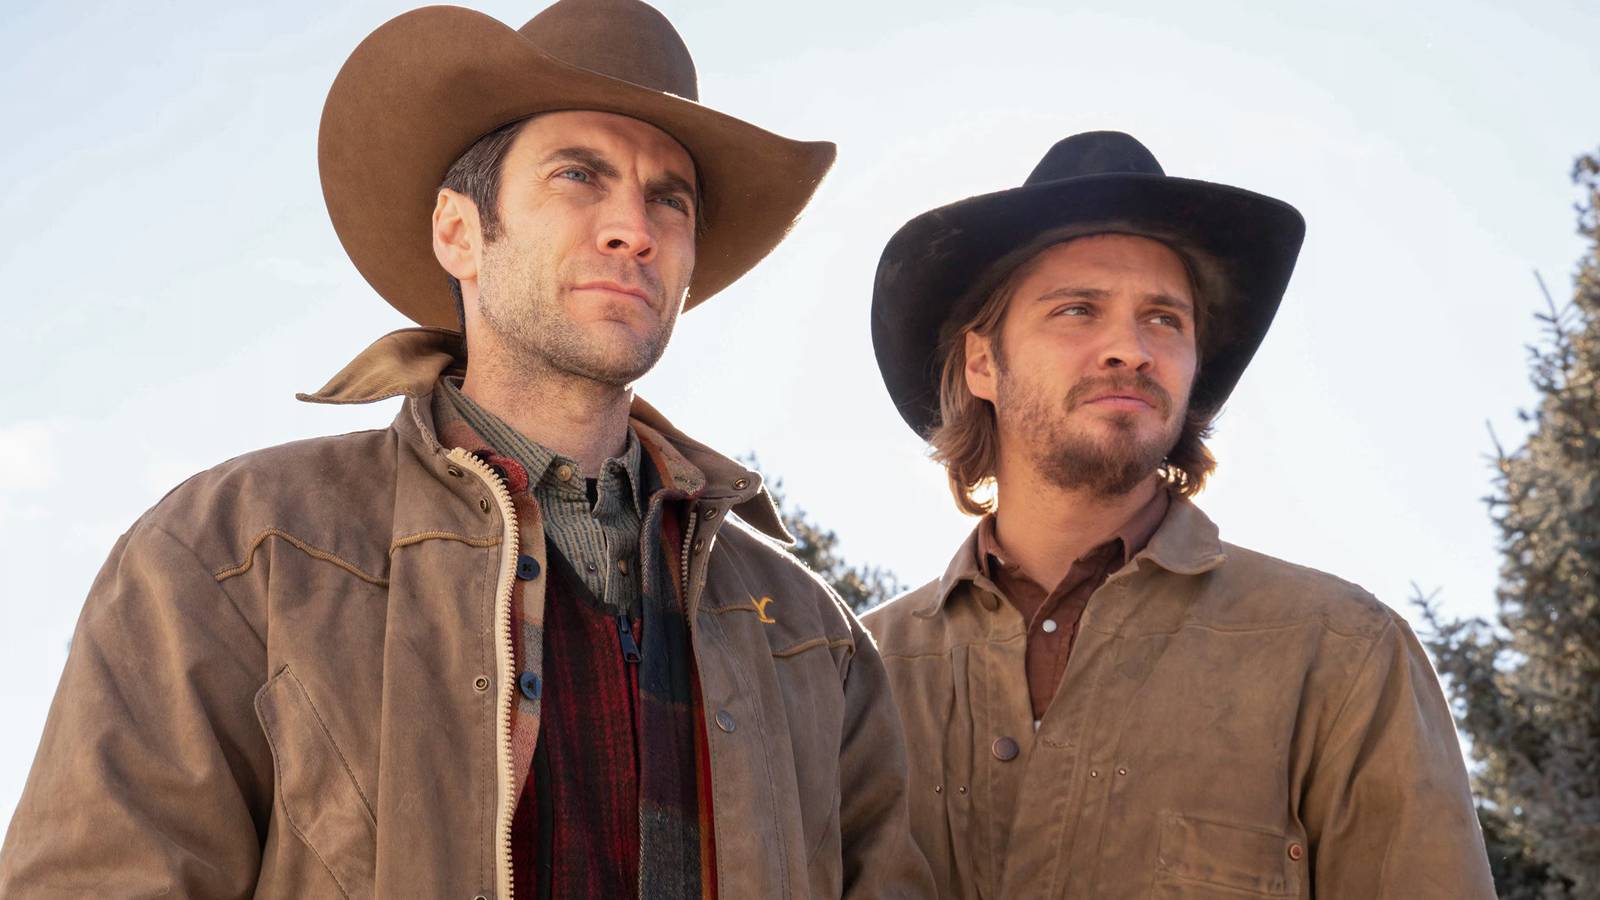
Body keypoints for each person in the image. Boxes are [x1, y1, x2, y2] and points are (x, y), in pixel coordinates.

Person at [0, 3, 934, 898]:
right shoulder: (235, 555)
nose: (634, 229)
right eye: (579, 175)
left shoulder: (812, 639)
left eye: (670, 199)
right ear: (460, 231)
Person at [862, 130, 1495, 898]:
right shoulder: (856, 675)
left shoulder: (1341, 656)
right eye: (1077, 310)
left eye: (1165, 319)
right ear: (983, 363)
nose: (1130, 348)